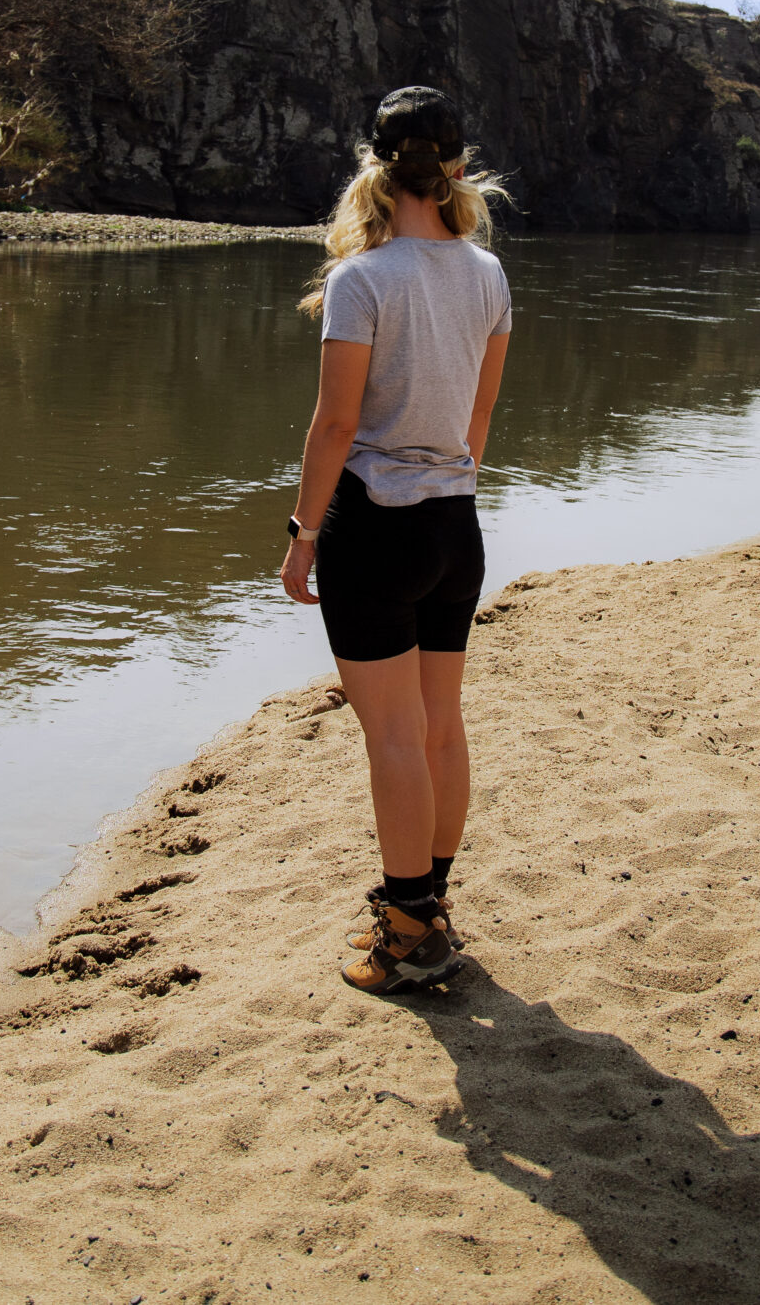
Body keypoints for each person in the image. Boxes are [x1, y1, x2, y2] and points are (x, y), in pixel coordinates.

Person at [280, 86, 512, 995]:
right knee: (441, 723)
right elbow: (481, 412)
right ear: (457, 167)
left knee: (394, 737)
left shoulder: (361, 279)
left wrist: (303, 535)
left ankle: (409, 932)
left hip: (376, 524)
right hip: (457, 524)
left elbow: (335, 425)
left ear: (378, 165)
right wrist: (450, 485)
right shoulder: (486, 275)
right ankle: (430, 907)